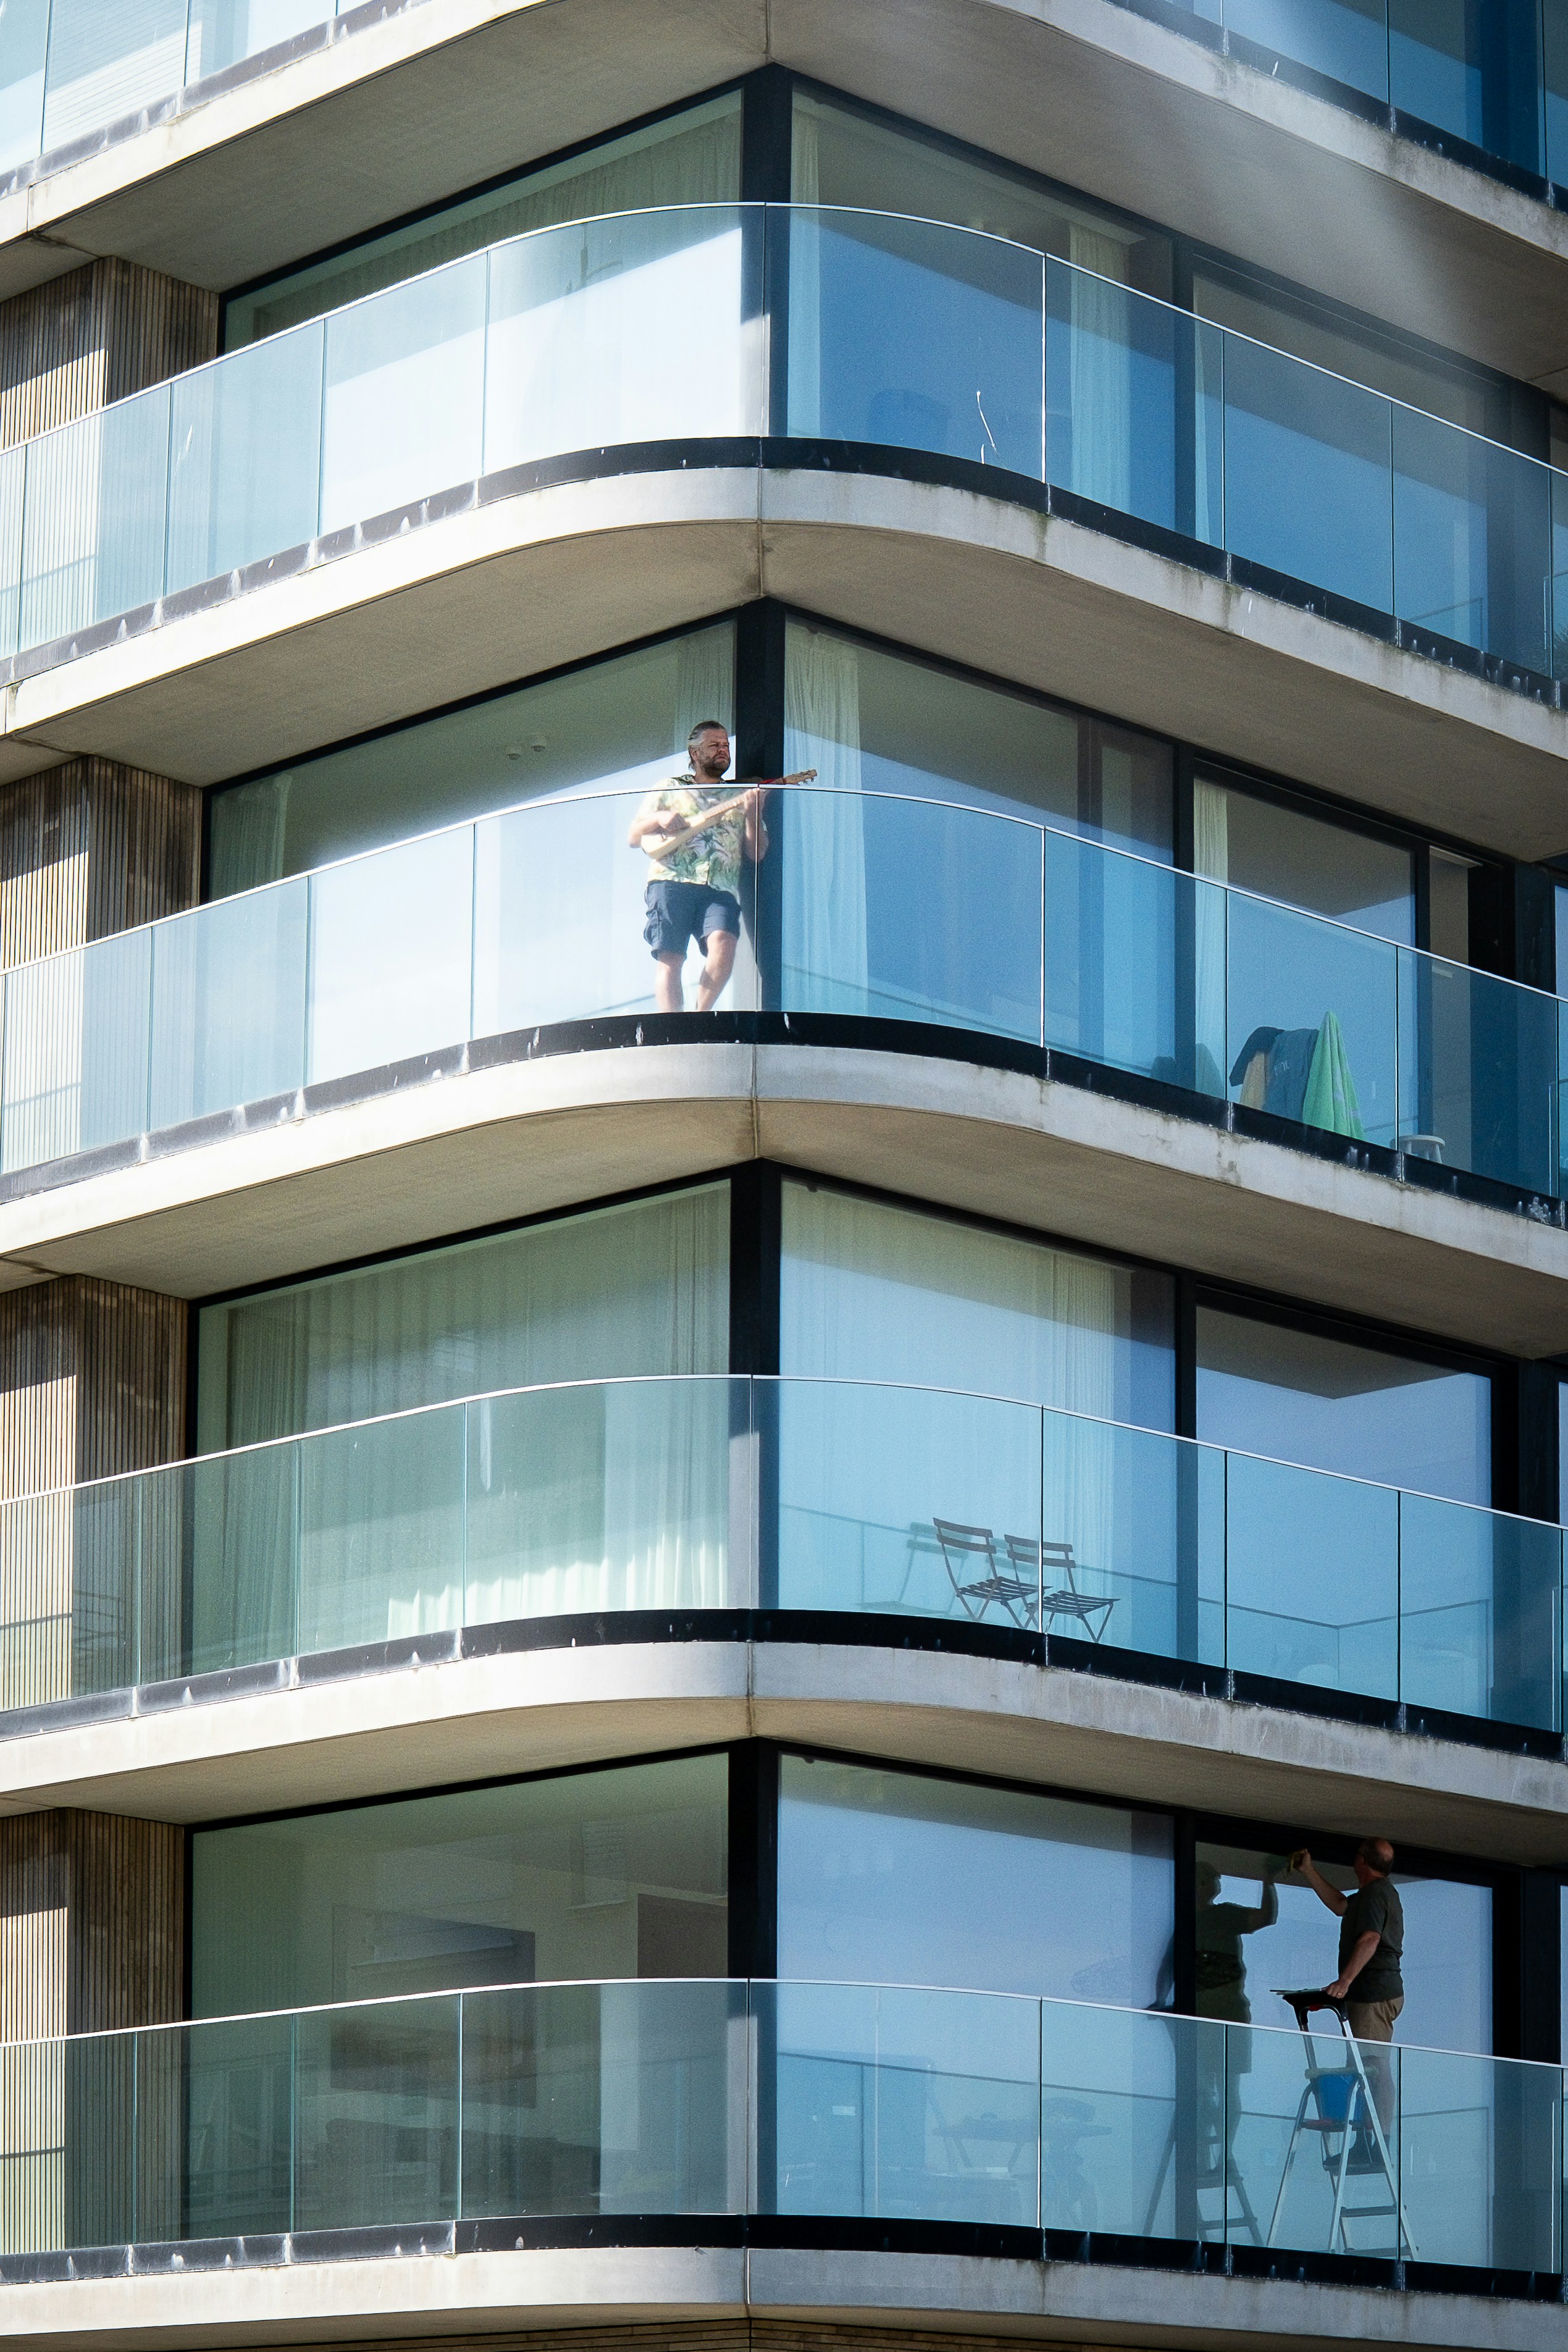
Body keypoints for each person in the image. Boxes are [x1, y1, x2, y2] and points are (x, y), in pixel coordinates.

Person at [629, 721, 768, 1012]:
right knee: (671, 956)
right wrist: (660, 818)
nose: (723, 750)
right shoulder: (670, 788)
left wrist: (754, 813)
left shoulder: (739, 795)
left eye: (726, 746)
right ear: (694, 753)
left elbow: (756, 853)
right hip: (671, 880)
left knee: (724, 945)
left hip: (719, 886)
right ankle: (671, 1026)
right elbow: (633, 836)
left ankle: (699, 1017)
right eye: (714, 745)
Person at [1290, 1837, 1404, 2137]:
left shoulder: (1376, 1894)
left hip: (1373, 1995)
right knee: (1364, 2066)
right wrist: (1308, 1870)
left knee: (1374, 2068)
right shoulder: (1371, 1894)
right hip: (1371, 1994)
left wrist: (1345, 1981)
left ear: (1362, 1862)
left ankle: (1377, 2142)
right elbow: (1341, 1906)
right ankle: (1367, 2139)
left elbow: (1371, 1939)